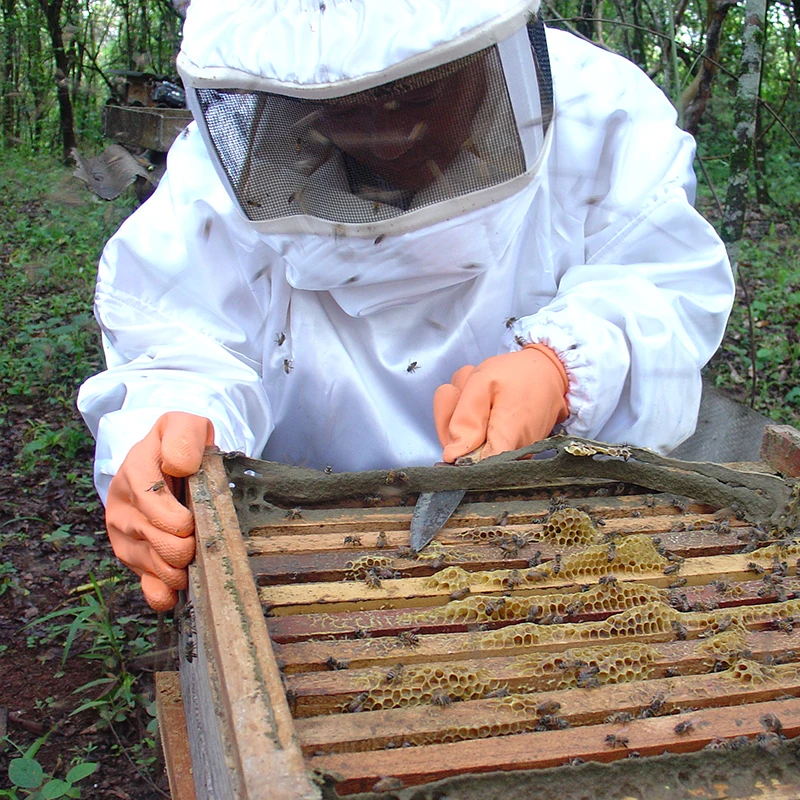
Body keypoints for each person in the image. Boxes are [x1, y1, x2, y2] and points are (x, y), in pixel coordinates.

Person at [78, 0, 735, 611]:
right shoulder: (228, 168)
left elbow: (662, 282)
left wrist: (567, 365)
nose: (387, 136)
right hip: (313, 574)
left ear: (488, 50)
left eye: (419, 92)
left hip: (563, 549)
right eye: (341, 105)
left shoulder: (599, 115)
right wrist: (168, 434)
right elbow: (183, 339)